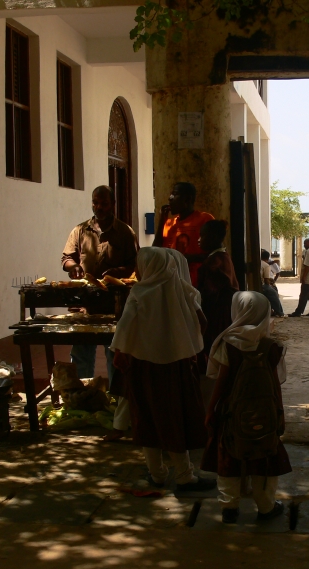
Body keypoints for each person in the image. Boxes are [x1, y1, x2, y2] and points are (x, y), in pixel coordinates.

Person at [111, 247, 216, 492]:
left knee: (146, 418)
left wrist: (120, 352)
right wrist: (187, 344)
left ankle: (157, 473)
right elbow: (202, 322)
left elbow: (125, 328)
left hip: (144, 366)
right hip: (176, 366)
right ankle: (184, 475)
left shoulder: (139, 292)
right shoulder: (183, 289)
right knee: (173, 418)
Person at [203, 291, 292, 524]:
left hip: (231, 413)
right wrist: (280, 413)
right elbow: (275, 384)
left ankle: (229, 507)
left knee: (228, 457)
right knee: (265, 457)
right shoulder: (272, 346)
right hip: (266, 413)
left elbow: (221, 382)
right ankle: (266, 506)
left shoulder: (228, 343)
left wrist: (211, 410)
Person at [62, 185, 138, 379]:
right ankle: (82, 391)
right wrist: (73, 267)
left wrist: (118, 272)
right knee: (81, 354)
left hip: (114, 304)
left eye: (104, 204)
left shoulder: (125, 232)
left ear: (113, 204)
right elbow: (67, 258)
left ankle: (114, 393)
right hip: (85, 303)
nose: (99, 207)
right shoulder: (80, 230)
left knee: (113, 354)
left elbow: (135, 263)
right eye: (95, 203)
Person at [196, 220, 239, 373]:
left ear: (213, 237)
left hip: (218, 313)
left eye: (202, 236)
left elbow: (210, 291)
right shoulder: (220, 256)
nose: (199, 240)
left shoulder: (215, 261)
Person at [153, 182, 215, 285]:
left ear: (187, 199)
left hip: (196, 283)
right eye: (171, 194)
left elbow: (216, 254)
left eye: (175, 194)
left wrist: (187, 258)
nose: (170, 198)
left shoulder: (204, 219)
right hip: (172, 282)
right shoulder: (169, 224)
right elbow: (155, 252)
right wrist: (162, 222)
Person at [289, 238, 309, 317]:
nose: (304, 245)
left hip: (308, 277)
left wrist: (304, 276)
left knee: (303, 295)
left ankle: (298, 311)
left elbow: (307, 265)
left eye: (305, 243)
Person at [260, 249, 285, 317]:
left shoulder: (258, 263)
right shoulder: (265, 265)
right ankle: (279, 312)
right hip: (263, 285)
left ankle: (272, 310)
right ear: (268, 258)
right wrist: (271, 284)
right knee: (274, 294)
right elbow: (266, 280)